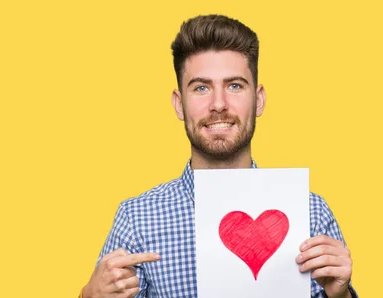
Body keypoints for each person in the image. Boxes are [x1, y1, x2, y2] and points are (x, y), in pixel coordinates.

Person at [80, 14, 357, 298]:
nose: (219, 104)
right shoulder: (137, 220)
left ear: (258, 99)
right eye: (201, 88)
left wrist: (341, 295)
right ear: (179, 104)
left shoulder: (311, 214)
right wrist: (89, 295)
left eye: (235, 85)